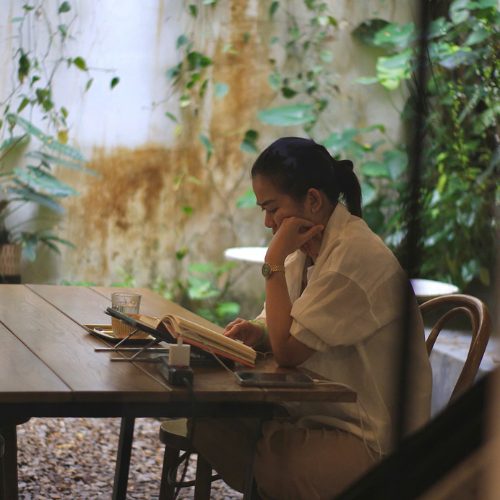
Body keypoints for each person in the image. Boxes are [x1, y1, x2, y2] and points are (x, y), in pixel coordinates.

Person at [192, 137, 432, 499]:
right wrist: (257, 331)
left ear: (313, 200)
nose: (268, 222)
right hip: (322, 416)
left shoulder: (353, 257)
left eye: (273, 209)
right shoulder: (307, 247)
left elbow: (288, 351)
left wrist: (272, 263)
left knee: (259, 449)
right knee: (209, 419)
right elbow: (281, 325)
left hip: (374, 443)